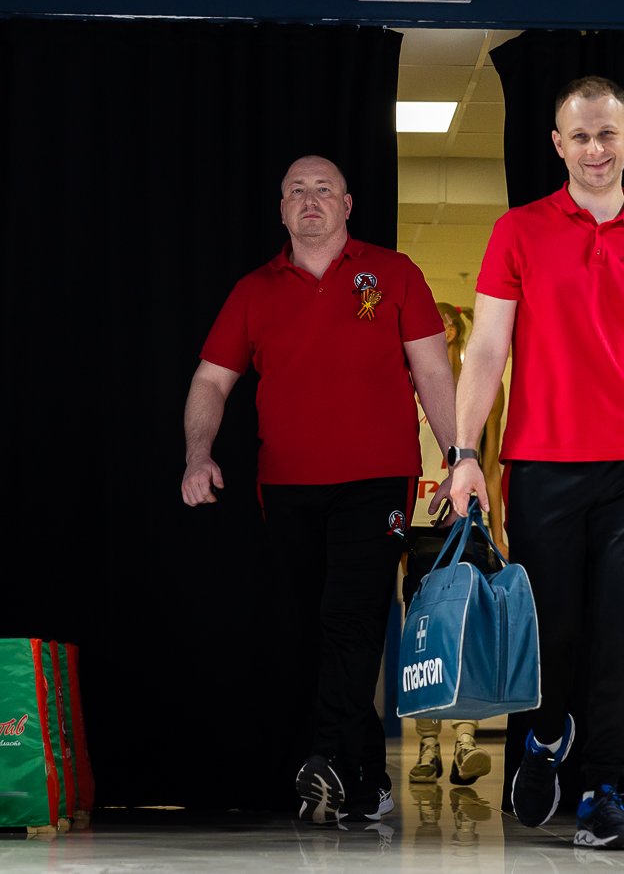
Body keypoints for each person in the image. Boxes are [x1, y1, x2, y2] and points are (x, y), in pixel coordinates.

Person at [447, 76, 624, 851]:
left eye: (608, 134)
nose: (597, 149)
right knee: (552, 632)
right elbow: (485, 348)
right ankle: (545, 735)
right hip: (542, 465)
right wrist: (465, 454)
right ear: (558, 145)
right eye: (582, 136)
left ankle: (602, 789)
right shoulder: (518, 231)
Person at [182, 155, 458, 826]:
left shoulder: (394, 273)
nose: (311, 200)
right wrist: (197, 453)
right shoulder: (255, 290)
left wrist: (461, 459)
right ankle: (363, 783)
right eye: (297, 191)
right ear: (281, 209)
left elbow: (432, 372)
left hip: (377, 479)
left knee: (350, 616)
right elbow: (211, 380)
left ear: (347, 204)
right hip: (286, 486)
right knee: (310, 630)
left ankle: (327, 757)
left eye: (324, 189)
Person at [403, 302, 506, 788]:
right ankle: (427, 745)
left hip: (466, 521)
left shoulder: (484, 386)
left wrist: (498, 531)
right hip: (419, 524)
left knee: (467, 632)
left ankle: (465, 742)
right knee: (421, 635)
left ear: (448, 329)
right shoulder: (407, 384)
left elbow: (491, 466)